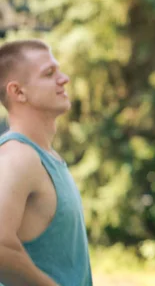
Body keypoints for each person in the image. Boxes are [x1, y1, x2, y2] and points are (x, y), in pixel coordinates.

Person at [0, 39, 93, 286]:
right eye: (49, 73)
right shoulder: (17, 158)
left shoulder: (45, 156)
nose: (64, 79)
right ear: (18, 91)